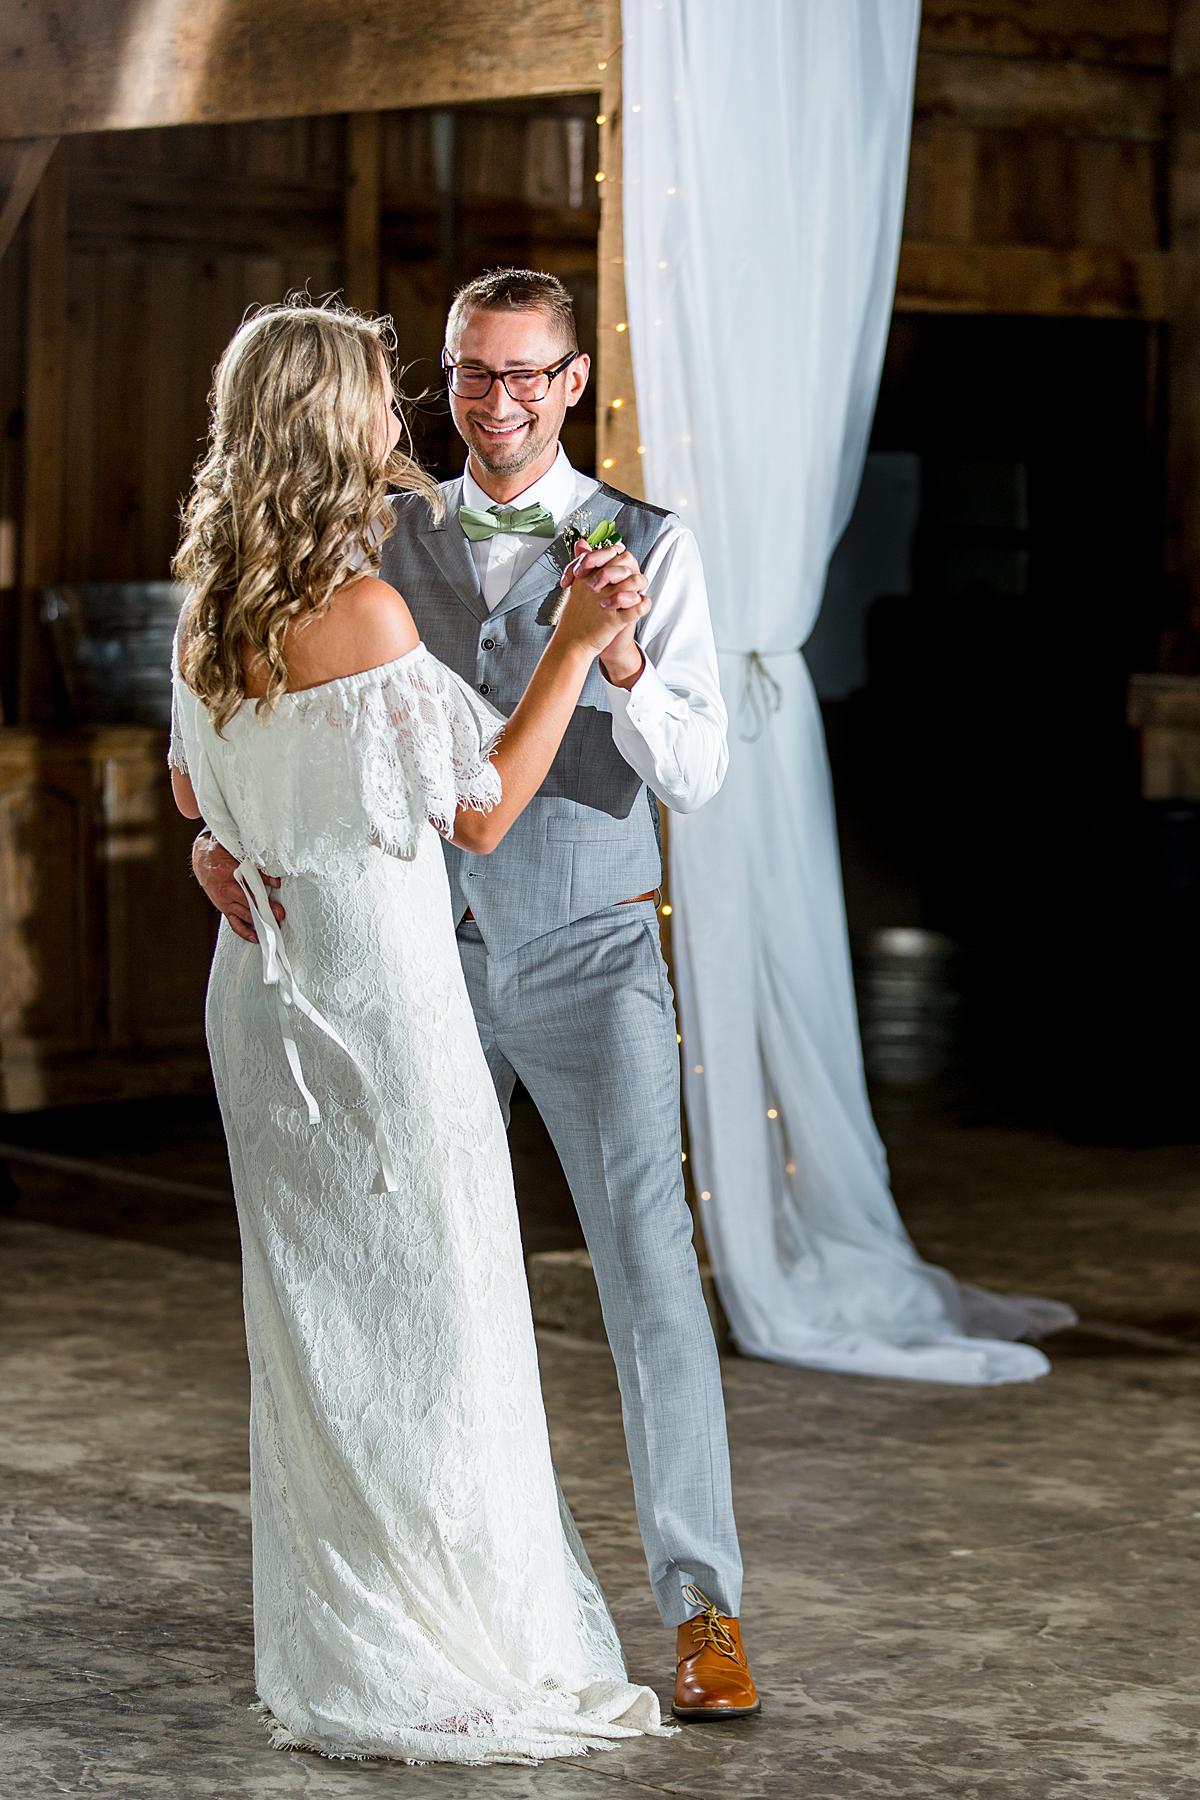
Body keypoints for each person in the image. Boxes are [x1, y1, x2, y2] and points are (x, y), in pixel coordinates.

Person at [193, 269, 760, 1722]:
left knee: (647, 1283)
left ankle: (704, 1613)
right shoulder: (359, 540)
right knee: (428, 1296)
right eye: (466, 377)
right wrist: (212, 838)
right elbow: (229, 732)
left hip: (587, 957)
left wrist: (617, 653)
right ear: (436, 382)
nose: (492, 404)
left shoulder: (649, 543)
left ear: (575, 382)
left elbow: (695, 770)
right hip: (408, 971)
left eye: (523, 377)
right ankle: (461, 1597)